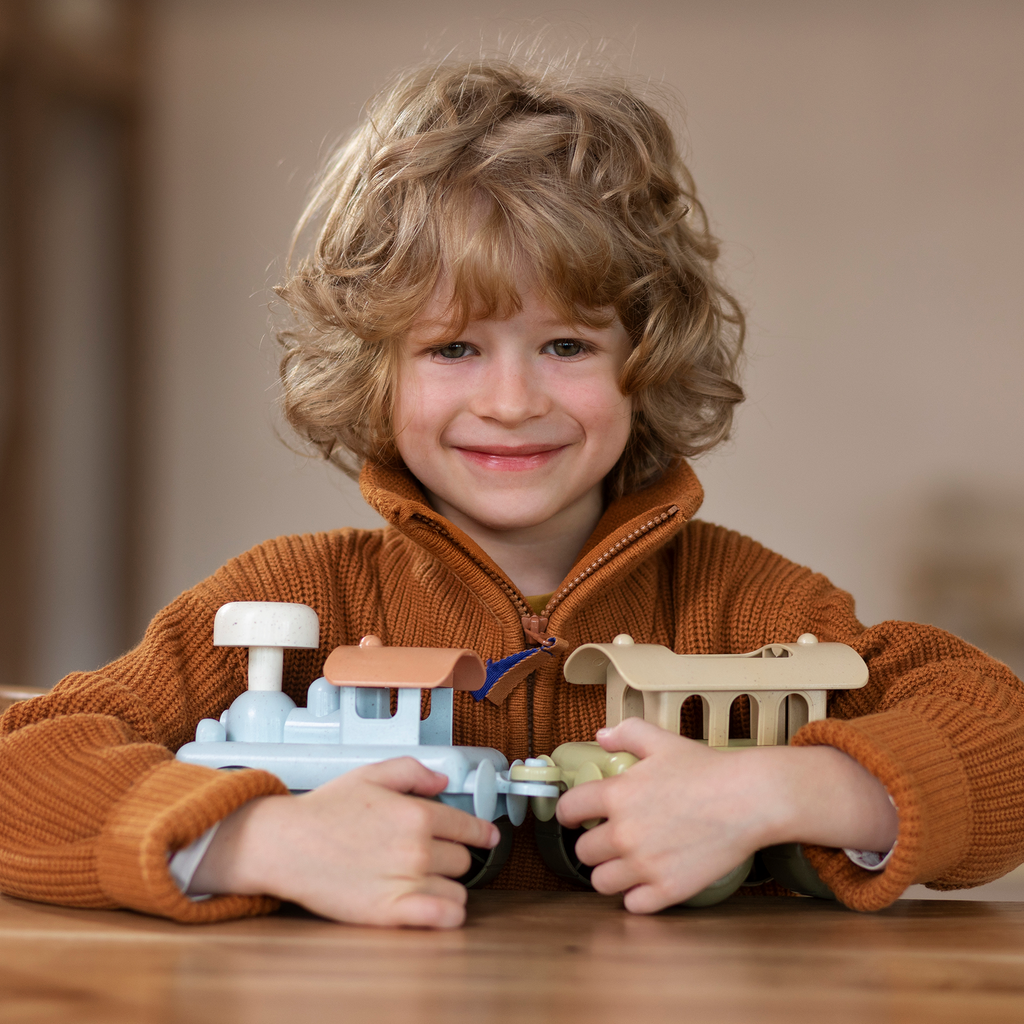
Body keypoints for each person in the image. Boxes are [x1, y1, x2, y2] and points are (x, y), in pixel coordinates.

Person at [1, 57, 1021, 930]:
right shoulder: (281, 603)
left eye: (566, 344)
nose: (509, 400)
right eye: (452, 347)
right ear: (376, 370)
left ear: (644, 358)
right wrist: (251, 838)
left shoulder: (753, 608)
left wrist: (783, 789)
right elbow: (24, 766)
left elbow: (1001, 736)